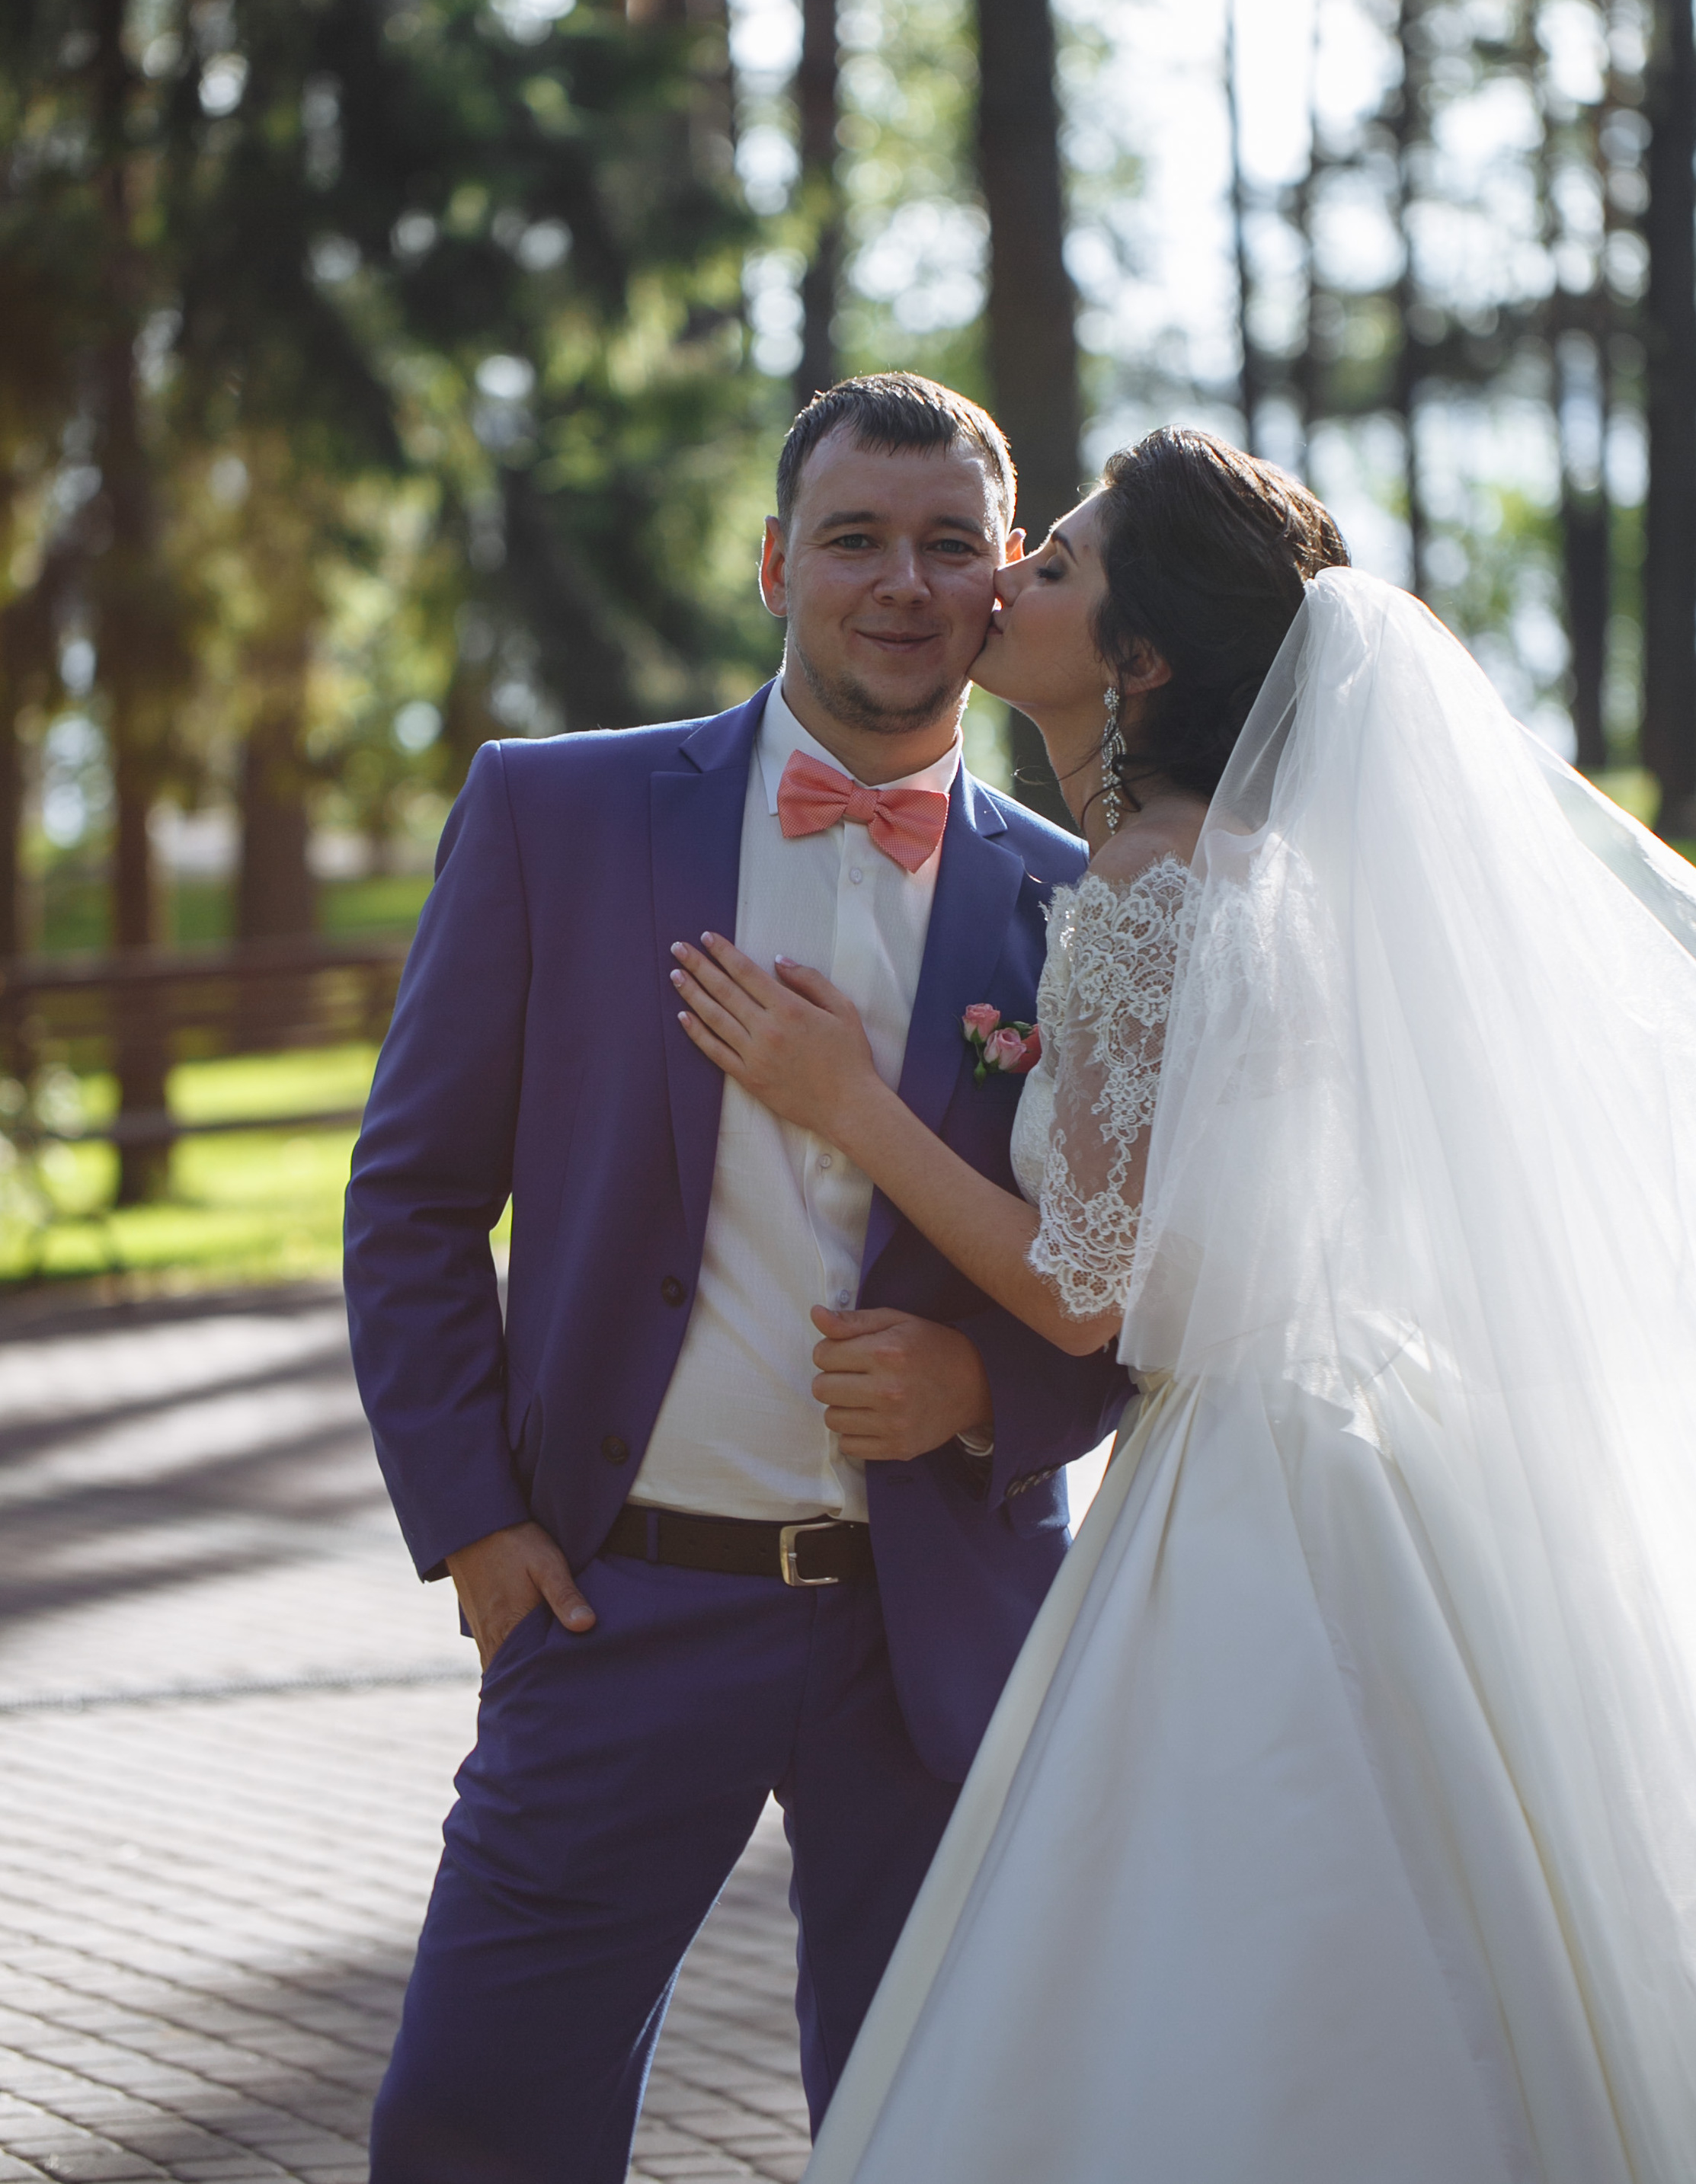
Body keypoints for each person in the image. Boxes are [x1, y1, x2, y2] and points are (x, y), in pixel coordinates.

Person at [673, 424, 1696, 2184]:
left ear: (1139, 662)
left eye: (1050, 565)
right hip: (1363, 1446)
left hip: (1250, 1489)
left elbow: (1088, 1292)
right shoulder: (1256, 871)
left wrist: (852, 1106)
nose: (1000, 580)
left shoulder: (1144, 877)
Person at [343, 373, 1128, 2184]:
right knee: (469, 2120)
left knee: (935, 2129)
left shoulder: (1090, 908)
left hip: (933, 1626)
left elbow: (1156, 1288)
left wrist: (991, 1395)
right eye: (853, 538)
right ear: (778, 560)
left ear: (1004, 581)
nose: (899, 582)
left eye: (948, 546)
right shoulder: (558, 815)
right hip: (617, 1602)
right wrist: (472, 1519)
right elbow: (410, 1199)